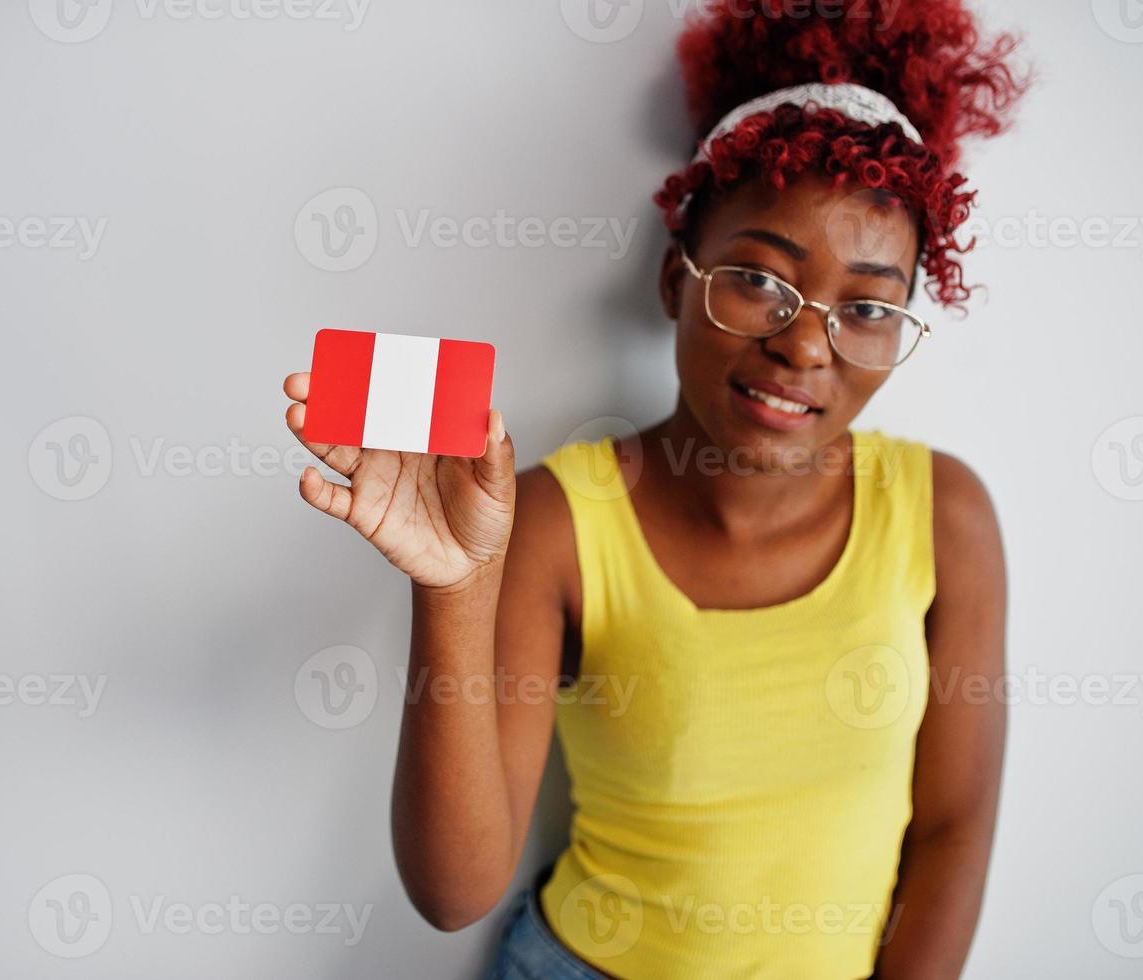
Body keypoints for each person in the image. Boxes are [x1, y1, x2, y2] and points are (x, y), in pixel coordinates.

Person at [282, 1, 1028, 975]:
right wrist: (454, 586)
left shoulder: (946, 515)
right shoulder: (557, 517)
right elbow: (454, 888)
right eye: (760, 279)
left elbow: (955, 835)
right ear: (679, 282)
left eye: (869, 306)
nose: (806, 342)